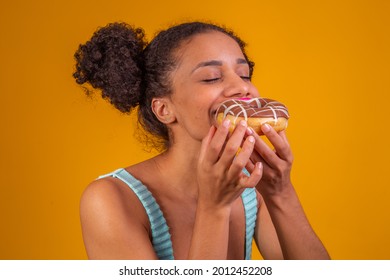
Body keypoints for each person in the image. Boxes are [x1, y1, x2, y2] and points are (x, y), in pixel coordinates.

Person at [73, 21, 330, 260]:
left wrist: (280, 193)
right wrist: (214, 208)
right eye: (211, 78)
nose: (242, 88)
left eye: (244, 74)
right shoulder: (111, 199)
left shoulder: (251, 187)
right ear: (164, 109)